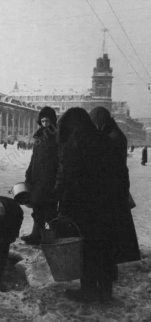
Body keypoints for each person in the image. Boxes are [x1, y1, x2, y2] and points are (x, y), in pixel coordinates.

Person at [56, 107, 124, 303]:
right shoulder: (104, 139)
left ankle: (88, 290)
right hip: (106, 205)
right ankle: (105, 291)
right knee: (104, 248)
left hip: (85, 207)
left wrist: (65, 207)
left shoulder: (76, 143)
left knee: (87, 249)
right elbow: (120, 174)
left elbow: (71, 179)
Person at [90, 107, 140, 274]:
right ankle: (127, 253)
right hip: (118, 183)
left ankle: (123, 254)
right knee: (122, 219)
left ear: (100, 120)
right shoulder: (114, 132)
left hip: (113, 183)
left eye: (95, 121)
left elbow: (109, 162)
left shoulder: (111, 136)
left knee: (117, 220)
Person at [21, 106, 59, 245]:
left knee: (49, 209)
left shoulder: (57, 136)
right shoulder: (39, 136)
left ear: (53, 121)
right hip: (37, 178)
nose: (45, 124)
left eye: (48, 121)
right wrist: (28, 173)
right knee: (37, 207)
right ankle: (36, 234)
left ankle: (57, 236)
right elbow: (34, 157)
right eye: (42, 121)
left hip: (49, 179)